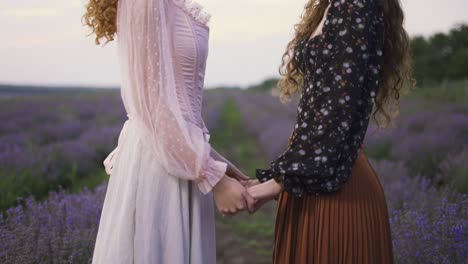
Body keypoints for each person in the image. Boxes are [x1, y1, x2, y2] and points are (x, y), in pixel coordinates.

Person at [82, 0, 255, 263]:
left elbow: (177, 111)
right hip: (159, 163)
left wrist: (212, 160)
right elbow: (153, 107)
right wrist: (213, 177)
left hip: (180, 157)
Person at [247, 0, 414, 263]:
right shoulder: (333, 5)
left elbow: (337, 111)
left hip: (337, 187)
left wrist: (278, 183)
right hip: (312, 177)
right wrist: (276, 177)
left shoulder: (355, 6)